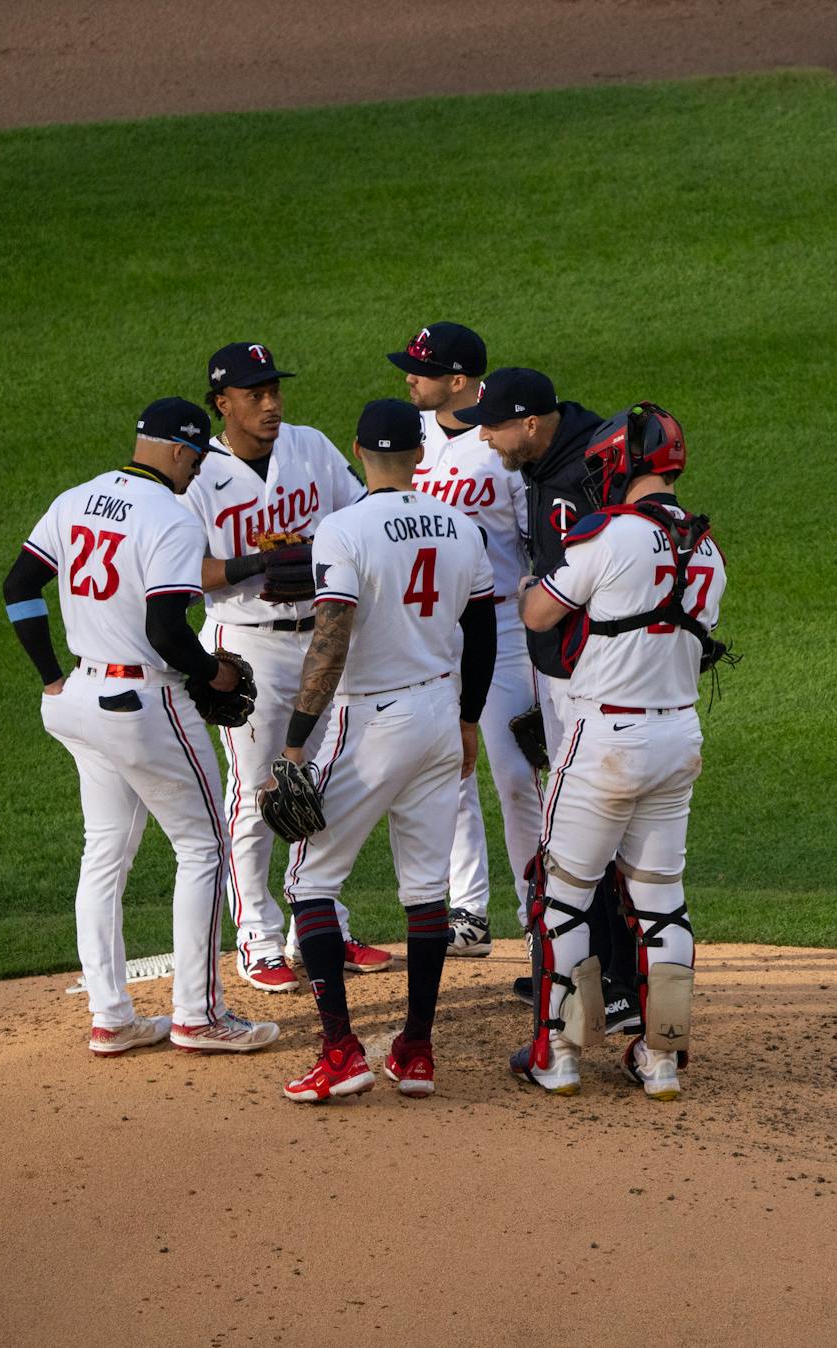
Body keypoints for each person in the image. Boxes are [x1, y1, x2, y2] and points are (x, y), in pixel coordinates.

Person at [1, 396, 279, 1056]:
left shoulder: (76, 498)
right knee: (203, 846)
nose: (195, 473)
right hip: (142, 703)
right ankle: (198, 1015)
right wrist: (215, 675)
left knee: (104, 853)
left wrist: (47, 672)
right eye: (196, 459)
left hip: (76, 698)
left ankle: (112, 1017)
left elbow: (18, 585)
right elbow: (165, 630)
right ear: (181, 451)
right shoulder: (170, 517)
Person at [269, 399, 497, 1102]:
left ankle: (341, 1052)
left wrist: (297, 741)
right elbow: (484, 632)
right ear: (419, 457)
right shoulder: (462, 527)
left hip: (370, 720)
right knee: (427, 889)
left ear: (359, 450)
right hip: (438, 710)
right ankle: (416, 1052)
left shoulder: (343, 529)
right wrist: (466, 721)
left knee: (309, 882)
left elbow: (330, 638)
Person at [508, 403, 725, 1099]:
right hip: (679, 738)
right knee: (663, 901)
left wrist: (531, 589)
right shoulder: (710, 550)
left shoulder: (611, 535)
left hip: (606, 738)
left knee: (563, 897)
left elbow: (540, 613)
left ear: (619, 465)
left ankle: (561, 1053)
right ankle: (660, 1061)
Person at [183, 340, 395, 991]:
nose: (272, 404)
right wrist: (255, 564)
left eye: (275, 389)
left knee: (321, 783)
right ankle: (257, 935)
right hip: (247, 645)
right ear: (223, 403)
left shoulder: (307, 445)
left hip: (323, 641)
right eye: (255, 394)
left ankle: (319, 920)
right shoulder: (197, 476)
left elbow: (360, 506)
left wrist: (323, 554)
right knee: (258, 790)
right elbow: (179, 574)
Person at [457, 368, 643, 1037]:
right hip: (567, 678)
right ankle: (589, 970)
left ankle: (612, 985)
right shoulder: (550, 457)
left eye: (495, 425)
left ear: (531, 423)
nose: (485, 438)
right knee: (581, 833)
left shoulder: (581, 474)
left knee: (590, 835)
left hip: (590, 680)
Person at [392, 323, 542, 959]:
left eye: (421, 371)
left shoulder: (498, 444)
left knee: (516, 779)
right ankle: (468, 911)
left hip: (504, 630)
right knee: (443, 771)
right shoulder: (406, 440)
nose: (409, 378)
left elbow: (538, 541)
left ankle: (541, 926)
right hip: (426, 634)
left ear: (459, 381)